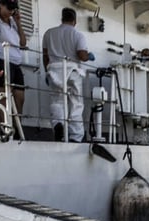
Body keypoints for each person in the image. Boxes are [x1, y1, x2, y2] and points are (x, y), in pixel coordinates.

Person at [41, 8, 92, 142]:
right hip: (72, 71)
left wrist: (47, 71)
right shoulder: (77, 35)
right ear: (74, 21)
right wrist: (89, 56)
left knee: (57, 101)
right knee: (76, 103)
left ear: (62, 19)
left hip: (54, 70)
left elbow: (45, 55)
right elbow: (81, 55)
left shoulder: (49, 33)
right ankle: (75, 136)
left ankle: (59, 125)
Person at [0, 0, 27, 121]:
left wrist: (18, 23)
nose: (11, 11)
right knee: (4, 96)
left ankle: (17, 126)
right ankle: (3, 127)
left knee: (20, 97)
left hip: (16, 63)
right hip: (1, 60)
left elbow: (23, 43)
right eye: (9, 8)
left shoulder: (13, 22)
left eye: (13, 9)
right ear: (1, 5)